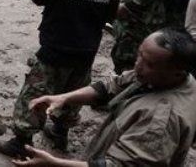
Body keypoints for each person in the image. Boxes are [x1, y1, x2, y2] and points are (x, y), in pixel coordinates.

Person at [0, 0, 121, 157]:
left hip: (55, 48)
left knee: (35, 94)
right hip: (86, 51)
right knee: (74, 93)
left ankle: (21, 141)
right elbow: (111, 16)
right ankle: (60, 132)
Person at [13, 29, 196, 166]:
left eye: (148, 63)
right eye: (140, 54)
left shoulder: (159, 121)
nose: (138, 65)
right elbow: (109, 88)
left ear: (177, 73)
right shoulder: (163, 77)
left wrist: (54, 163)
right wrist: (63, 98)